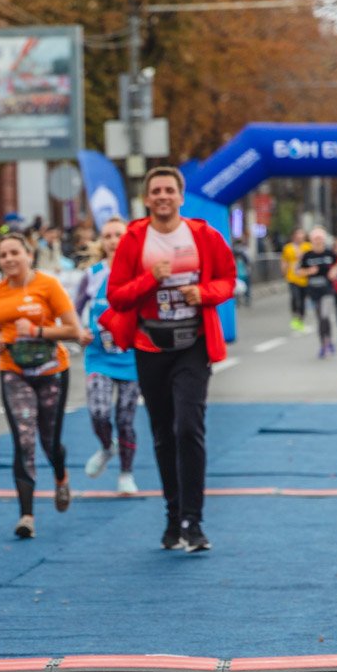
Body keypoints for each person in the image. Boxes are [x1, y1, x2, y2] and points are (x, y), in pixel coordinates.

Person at [102, 166, 235, 553]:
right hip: (150, 345)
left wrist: (204, 294)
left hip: (193, 344)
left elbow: (228, 279)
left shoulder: (203, 235)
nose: (162, 196)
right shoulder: (134, 239)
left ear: (180, 195)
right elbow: (116, 296)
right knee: (163, 433)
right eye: (156, 191)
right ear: (147, 199)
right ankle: (173, 515)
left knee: (188, 428)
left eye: (169, 190)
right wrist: (150, 279)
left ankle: (193, 521)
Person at [0, 232, 81, 538]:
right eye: (3, 255)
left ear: (29, 255)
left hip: (51, 371)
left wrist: (37, 332)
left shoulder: (48, 285)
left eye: (15, 252)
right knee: (24, 439)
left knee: (49, 441)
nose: (9, 259)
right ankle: (26, 516)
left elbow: (73, 329)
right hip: (14, 370)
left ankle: (61, 476)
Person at [76, 218, 140, 495]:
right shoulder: (94, 274)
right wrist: (79, 331)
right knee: (99, 412)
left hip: (131, 358)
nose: (114, 240)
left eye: (118, 235)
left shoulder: (140, 271)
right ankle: (106, 447)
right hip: (99, 357)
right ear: (102, 241)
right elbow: (74, 309)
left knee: (125, 420)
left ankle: (126, 474)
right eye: (108, 236)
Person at [299, 228, 337, 359]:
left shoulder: (329, 254)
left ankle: (328, 341)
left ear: (324, 240)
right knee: (319, 318)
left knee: (325, 315)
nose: (318, 241)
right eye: (315, 239)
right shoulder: (307, 255)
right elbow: (299, 271)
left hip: (327, 290)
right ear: (311, 241)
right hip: (313, 291)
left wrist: (334, 271)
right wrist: (309, 271)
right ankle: (323, 344)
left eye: (320, 239)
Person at [282, 228, 310, 331]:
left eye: (301, 234)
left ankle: (301, 319)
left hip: (304, 278)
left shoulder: (308, 247)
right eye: (298, 234)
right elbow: (284, 261)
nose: (299, 237)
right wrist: (284, 272)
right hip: (292, 277)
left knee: (302, 299)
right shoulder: (288, 248)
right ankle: (295, 316)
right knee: (295, 297)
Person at [232, 238, 251, 307]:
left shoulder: (233, 252)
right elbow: (248, 262)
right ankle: (247, 300)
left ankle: (238, 302)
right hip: (244, 273)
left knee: (237, 287)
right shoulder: (244, 251)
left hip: (238, 273)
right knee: (247, 287)